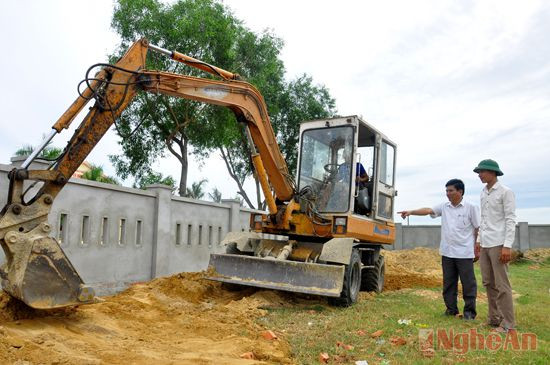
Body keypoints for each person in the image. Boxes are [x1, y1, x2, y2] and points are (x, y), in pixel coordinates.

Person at [398, 179, 480, 320]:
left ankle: (469, 313)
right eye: (446, 190)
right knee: (448, 283)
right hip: (447, 252)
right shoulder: (445, 207)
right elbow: (429, 210)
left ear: (460, 192)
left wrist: (477, 247)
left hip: (464, 252)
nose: (447, 193)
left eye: (451, 190)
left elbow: (479, 227)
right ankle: (451, 310)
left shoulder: (471, 207)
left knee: (468, 284)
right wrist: (411, 211)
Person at [473, 159, 516, 333]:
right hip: (485, 243)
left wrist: (507, 246)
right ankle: (493, 318)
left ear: (492, 172)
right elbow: (483, 220)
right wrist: (478, 241)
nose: (479, 175)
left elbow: (510, 219)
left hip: (499, 243)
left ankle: (508, 324)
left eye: (482, 172)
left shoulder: (505, 192)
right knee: (488, 282)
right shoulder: (483, 193)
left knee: (502, 284)